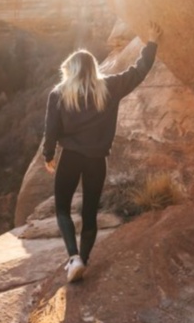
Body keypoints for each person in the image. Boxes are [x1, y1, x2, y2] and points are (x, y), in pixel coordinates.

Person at [42, 24, 162, 283]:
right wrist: (151, 42)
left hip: (71, 158)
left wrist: (48, 155)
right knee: (89, 214)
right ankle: (83, 260)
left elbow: (51, 130)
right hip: (97, 160)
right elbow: (139, 71)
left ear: (70, 70)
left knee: (62, 208)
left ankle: (73, 258)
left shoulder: (59, 94)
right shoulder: (109, 87)